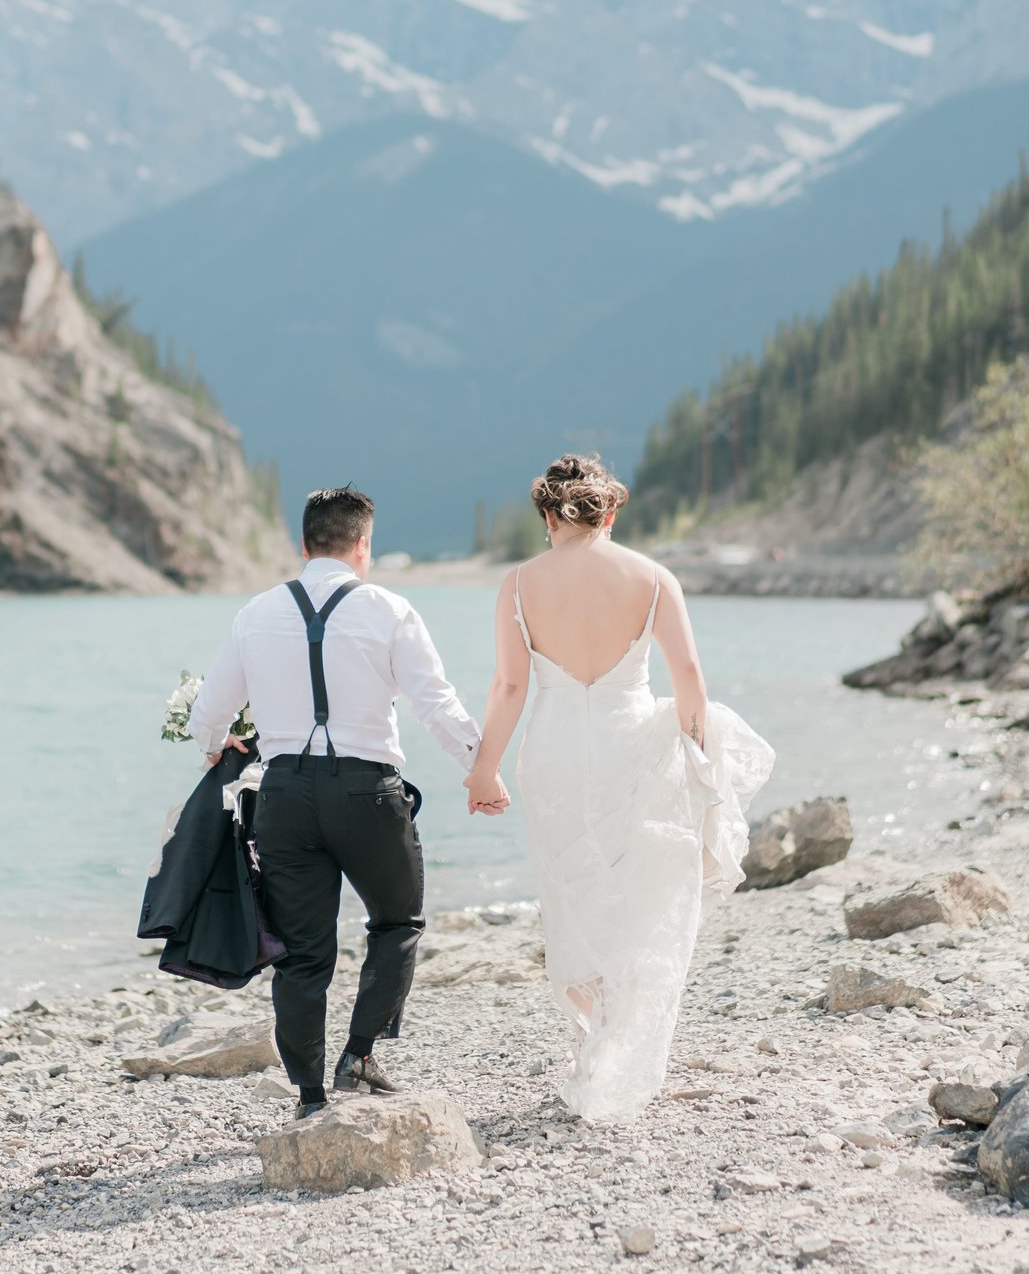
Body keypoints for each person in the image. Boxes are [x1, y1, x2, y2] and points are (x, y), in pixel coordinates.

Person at [463, 455, 775, 1122]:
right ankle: (614, 1037)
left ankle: (595, 1033)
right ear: (610, 513)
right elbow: (687, 671)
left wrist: (483, 766)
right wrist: (700, 755)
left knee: (569, 889)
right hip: (630, 746)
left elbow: (510, 686)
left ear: (549, 515)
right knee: (629, 888)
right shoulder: (652, 577)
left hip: (550, 753)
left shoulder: (519, 583)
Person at [186, 485, 481, 1118]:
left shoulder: (256, 613)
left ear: (303, 545)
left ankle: (310, 1095)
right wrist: (481, 768)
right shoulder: (390, 610)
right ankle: (360, 1054)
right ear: (362, 545)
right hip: (366, 794)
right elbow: (436, 704)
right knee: (397, 922)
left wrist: (215, 744)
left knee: (302, 952)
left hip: (284, 795)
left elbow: (209, 712)